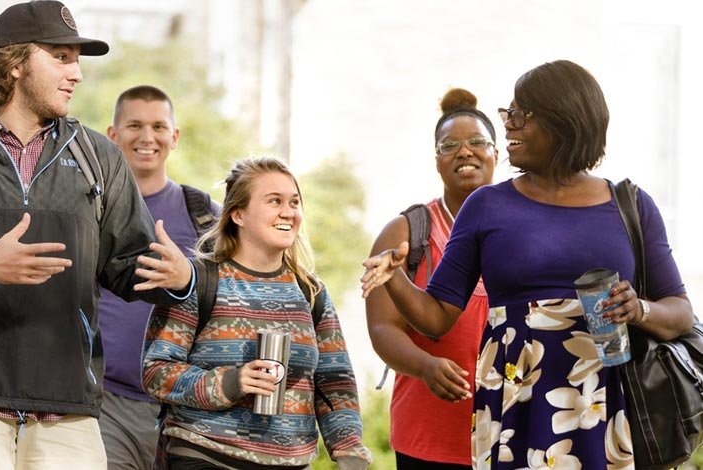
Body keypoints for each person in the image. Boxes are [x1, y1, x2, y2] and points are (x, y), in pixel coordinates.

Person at [0, 2, 194, 469]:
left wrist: (179, 277)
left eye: (77, 59)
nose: (77, 73)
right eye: (61, 57)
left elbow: (132, 265)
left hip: (70, 409)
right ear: (16, 62)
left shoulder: (99, 159)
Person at [361, 60, 695, 469]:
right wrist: (394, 278)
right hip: (515, 403)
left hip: (607, 403)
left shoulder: (632, 205)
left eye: (520, 115)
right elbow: (436, 318)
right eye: (508, 114)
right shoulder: (485, 206)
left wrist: (638, 309)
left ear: (563, 121)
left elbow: (679, 313)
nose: (509, 126)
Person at [142, 157, 372, 469]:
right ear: (238, 214)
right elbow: (157, 372)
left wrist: (350, 451)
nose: (288, 212)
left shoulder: (311, 291)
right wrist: (231, 383)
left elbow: (335, 382)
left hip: (290, 462)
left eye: (294, 202)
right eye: (274, 201)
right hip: (205, 454)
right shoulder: (199, 280)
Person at [365, 88, 496, 469]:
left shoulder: (523, 229)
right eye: (449, 145)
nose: (464, 151)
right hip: (429, 436)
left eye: (477, 142)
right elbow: (382, 328)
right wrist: (425, 366)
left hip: (511, 430)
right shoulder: (407, 232)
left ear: (496, 154)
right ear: (437, 161)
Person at [99, 85, 220, 470]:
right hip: (105, 404)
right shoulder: (88, 209)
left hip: (183, 408)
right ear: (113, 135)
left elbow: (235, 296)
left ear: (175, 136)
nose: (147, 137)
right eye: (134, 125)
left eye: (158, 126)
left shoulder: (206, 216)